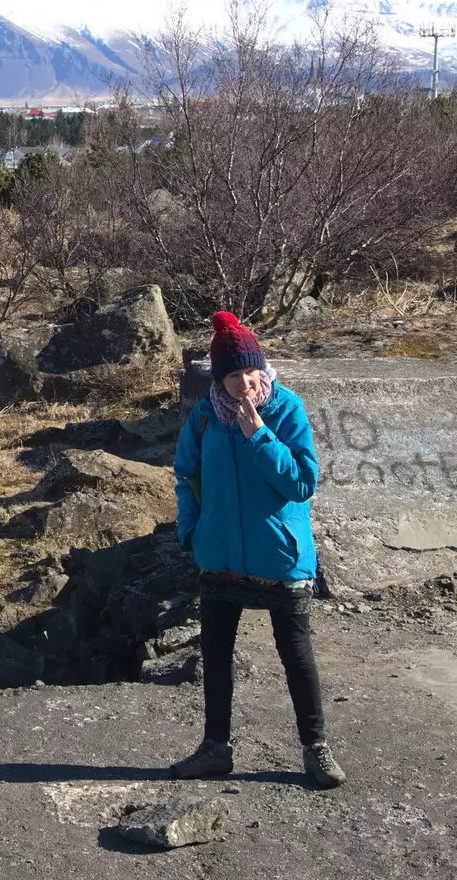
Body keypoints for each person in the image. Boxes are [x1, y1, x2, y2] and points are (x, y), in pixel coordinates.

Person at [169, 311, 345, 789]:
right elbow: (185, 475)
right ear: (220, 378)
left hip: (280, 557)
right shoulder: (204, 416)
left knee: (296, 654)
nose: (245, 383)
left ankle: (316, 749)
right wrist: (192, 529)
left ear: (262, 369)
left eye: (252, 372)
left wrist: (258, 435)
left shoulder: (286, 408)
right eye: (233, 375)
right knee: (216, 654)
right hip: (219, 554)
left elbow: (301, 483)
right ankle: (215, 748)